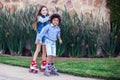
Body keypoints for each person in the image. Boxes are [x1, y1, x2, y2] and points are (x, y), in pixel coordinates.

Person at [29, 5, 49, 73]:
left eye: (46, 10)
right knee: (38, 49)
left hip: (46, 36)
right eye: (43, 10)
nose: (45, 11)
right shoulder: (39, 17)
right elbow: (43, 21)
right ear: (40, 11)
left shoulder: (47, 18)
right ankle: (33, 63)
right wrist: (50, 17)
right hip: (40, 35)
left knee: (44, 51)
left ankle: (43, 64)